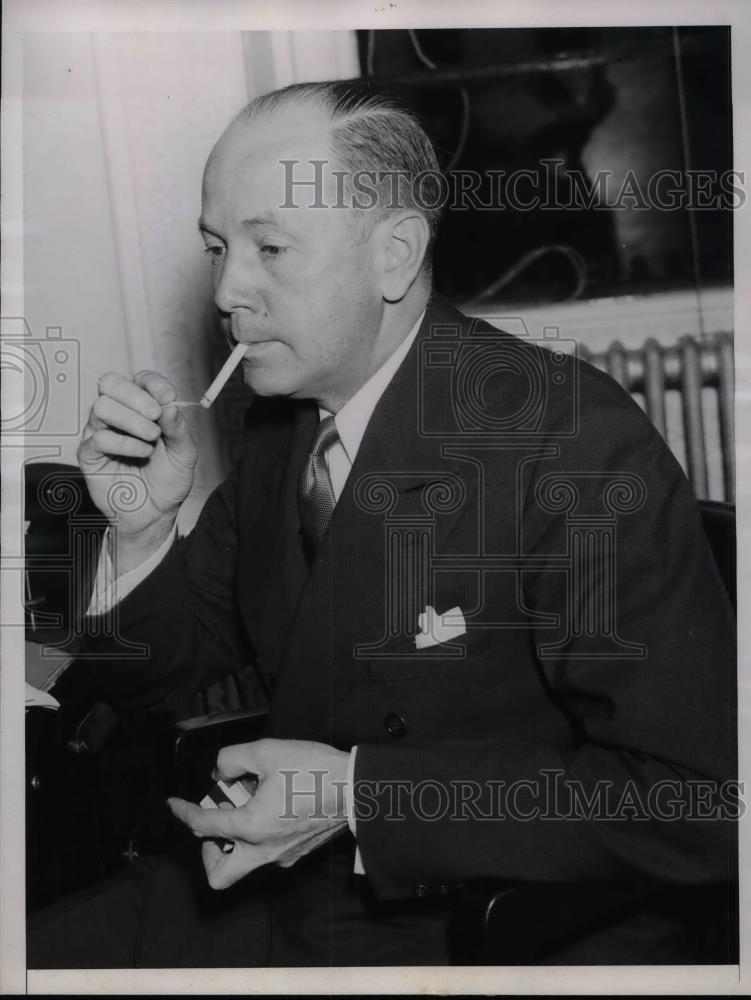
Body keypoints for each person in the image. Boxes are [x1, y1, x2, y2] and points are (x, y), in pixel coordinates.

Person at [28, 81, 735, 968]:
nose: (226, 290)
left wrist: (359, 797)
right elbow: (170, 680)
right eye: (216, 247)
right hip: (280, 889)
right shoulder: (287, 430)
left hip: (487, 929)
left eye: (269, 248)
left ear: (393, 254)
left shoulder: (570, 445)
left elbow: (699, 802)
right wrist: (138, 530)